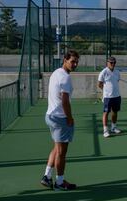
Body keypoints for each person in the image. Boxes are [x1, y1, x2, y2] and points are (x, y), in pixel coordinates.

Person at [41, 50, 79, 191]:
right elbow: (65, 101)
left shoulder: (56, 72)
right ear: (65, 60)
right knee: (62, 153)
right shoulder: (65, 78)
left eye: (76, 62)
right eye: (72, 61)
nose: (74, 64)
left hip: (50, 116)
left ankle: (46, 176)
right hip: (60, 119)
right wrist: (70, 118)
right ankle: (60, 182)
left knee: (57, 147)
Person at [97, 56, 122, 138]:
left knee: (115, 112)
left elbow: (116, 81)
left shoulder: (117, 72)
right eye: (111, 63)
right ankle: (105, 130)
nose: (113, 64)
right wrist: (105, 91)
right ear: (107, 63)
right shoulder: (103, 72)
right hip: (108, 97)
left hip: (117, 96)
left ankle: (113, 128)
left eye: (114, 63)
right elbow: (99, 84)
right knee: (106, 112)